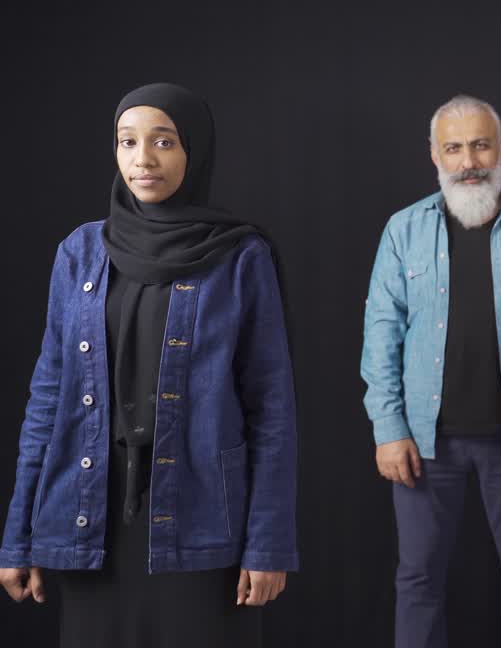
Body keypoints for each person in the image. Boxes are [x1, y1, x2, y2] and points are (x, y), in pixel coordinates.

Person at [0, 83, 299, 647]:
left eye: (163, 141)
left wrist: (268, 545)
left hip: (202, 522)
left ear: (195, 150)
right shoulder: (80, 252)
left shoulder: (240, 257)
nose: (143, 159)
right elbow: (47, 399)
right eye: (127, 141)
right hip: (91, 519)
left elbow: (273, 411)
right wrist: (19, 537)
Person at [361, 94, 501, 648]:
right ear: (435, 156)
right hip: (424, 440)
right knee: (417, 579)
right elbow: (380, 334)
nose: (469, 161)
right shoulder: (403, 230)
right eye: (455, 148)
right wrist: (388, 428)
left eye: (481, 144)